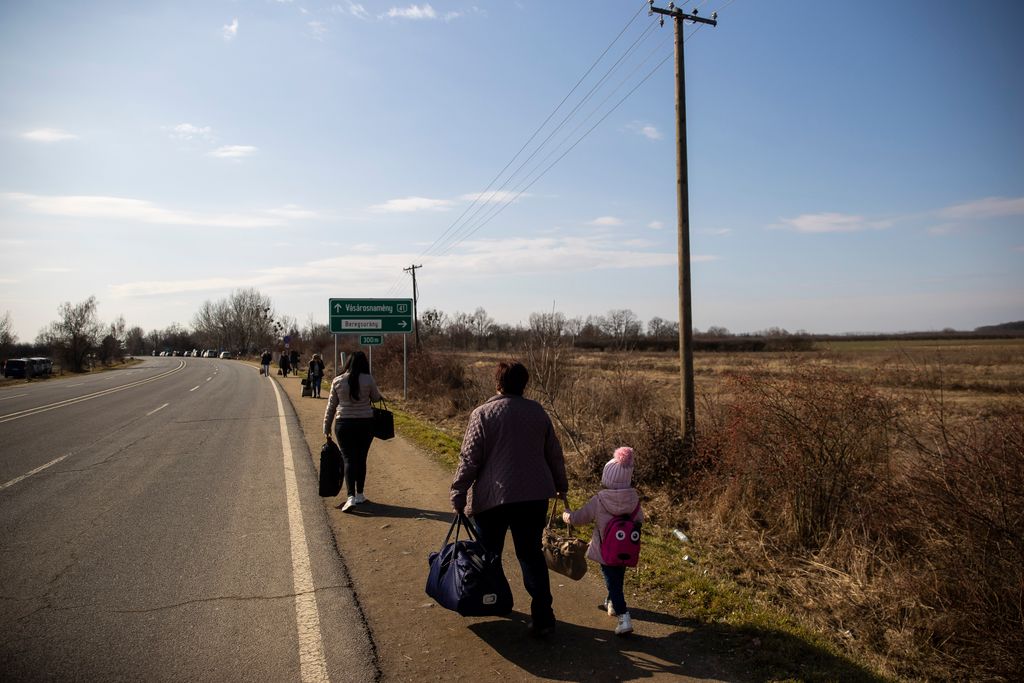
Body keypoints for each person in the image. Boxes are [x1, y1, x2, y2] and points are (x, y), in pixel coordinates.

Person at [450, 361, 568, 638]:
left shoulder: (483, 414)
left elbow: (470, 459)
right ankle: (544, 617)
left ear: (498, 383)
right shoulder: (538, 412)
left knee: (489, 556)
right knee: (531, 557)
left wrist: (458, 491)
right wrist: (561, 485)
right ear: (524, 384)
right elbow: (554, 453)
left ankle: (494, 600)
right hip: (533, 497)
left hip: (494, 499)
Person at [562, 446, 644, 637]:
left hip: (606, 552)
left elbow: (580, 518)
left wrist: (567, 516)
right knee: (617, 578)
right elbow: (640, 520)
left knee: (612, 582)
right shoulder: (634, 499)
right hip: (626, 549)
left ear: (607, 478)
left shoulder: (599, 500)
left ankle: (624, 617)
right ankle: (612, 603)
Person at [323, 351, 381, 512]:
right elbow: (376, 398)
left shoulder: (338, 380)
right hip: (365, 424)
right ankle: (360, 494)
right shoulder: (368, 379)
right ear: (364, 363)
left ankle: (350, 497)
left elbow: (331, 406)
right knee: (361, 459)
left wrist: (326, 427)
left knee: (348, 459)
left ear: (348, 363)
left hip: (344, 424)